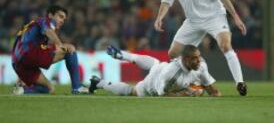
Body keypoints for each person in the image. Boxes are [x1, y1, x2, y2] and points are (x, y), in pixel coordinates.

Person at [154, 0, 247, 96]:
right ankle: (195, 81)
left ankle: (240, 83)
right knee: (173, 53)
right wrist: (160, 17)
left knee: (225, 45)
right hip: (193, 21)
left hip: (214, 16)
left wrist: (235, 16)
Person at [89, 45, 221, 97]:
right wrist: (186, 94)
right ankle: (100, 82)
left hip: (161, 67)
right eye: (194, 59)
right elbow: (163, 94)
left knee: (155, 63)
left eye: (199, 57)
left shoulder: (201, 65)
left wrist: (214, 93)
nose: (199, 61)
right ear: (185, 59)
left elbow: (212, 90)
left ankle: (123, 55)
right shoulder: (172, 75)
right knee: (132, 91)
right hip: (153, 84)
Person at [11, 5, 88, 94]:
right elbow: (48, 31)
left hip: (17, 62)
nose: (62, 21)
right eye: (60, 16)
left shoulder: (32, 25)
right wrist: (60, 45)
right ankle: (77, 87)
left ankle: (22, 90)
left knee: (48, 89)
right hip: (30, 53)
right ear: (50, 15)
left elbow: (24, 49)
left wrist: (19, 78)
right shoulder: (44, 21)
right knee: (70, 50)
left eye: (64, 19)